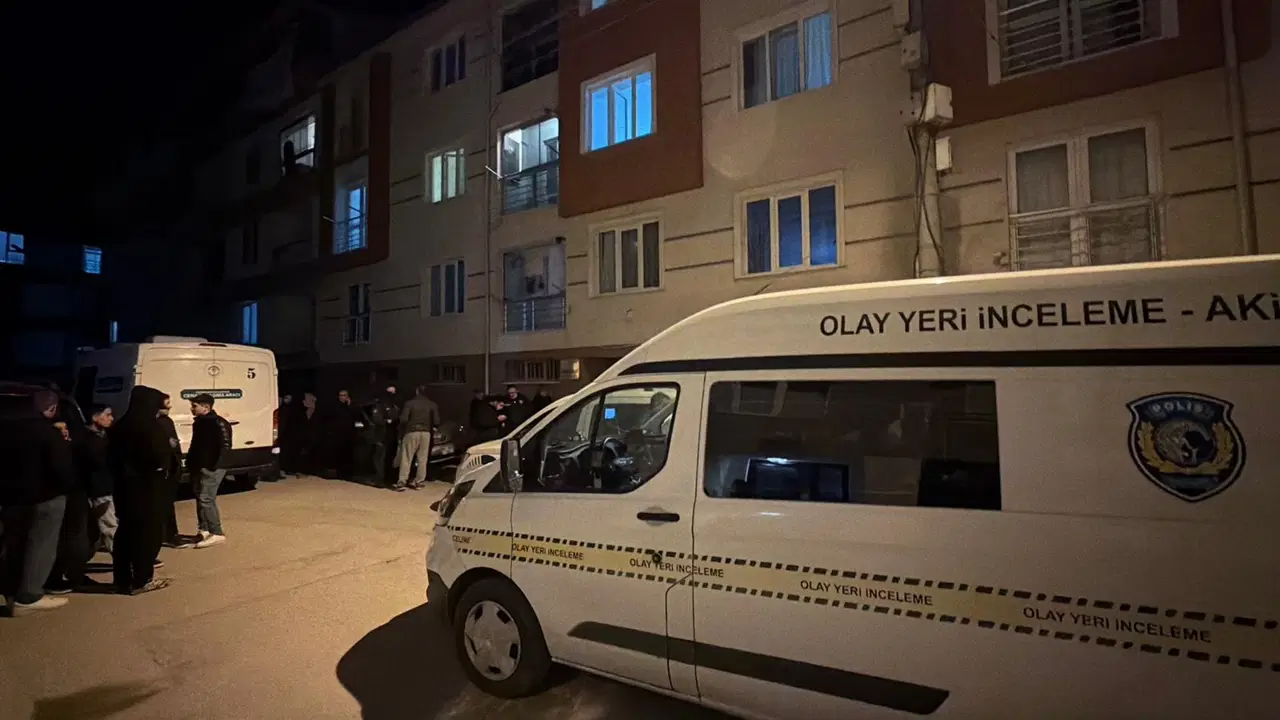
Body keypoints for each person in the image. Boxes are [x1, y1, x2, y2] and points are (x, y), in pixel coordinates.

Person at [0, 391, 75, 614]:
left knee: (13, 547)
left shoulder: (6, 430)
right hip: (45, 497)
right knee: (41, 546)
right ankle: (29, 595)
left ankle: (11, 592)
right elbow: (62, 469)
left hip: (11, 497)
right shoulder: (47, 433)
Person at [108, 386, 173, 595]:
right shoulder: (151, 428)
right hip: (148, 489)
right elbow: (159, 457)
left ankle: (122, 579)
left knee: (125, 533)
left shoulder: (120, 427)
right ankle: (142, 578)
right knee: (147, 534)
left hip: (123, 488)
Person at [186, 394, 229, 549]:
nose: (192, 409)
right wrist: (191, 462)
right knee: (200, 497)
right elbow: (196, 445)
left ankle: (216, 532)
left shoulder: (218, 423)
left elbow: (225, 446)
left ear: (206, 407)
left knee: (206, 499)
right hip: (198, 466)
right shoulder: (199, 423)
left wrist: (214, 466)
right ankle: (204, 529)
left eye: (194, 406)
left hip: (212, 467)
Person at [81, 405, 117, 557]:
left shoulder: (106, 436)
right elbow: (96, 462)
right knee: (109, 525)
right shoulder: (86, 439)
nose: (111, 418)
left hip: (108, 486)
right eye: (107, 415)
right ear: (95, 417)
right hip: (98, 489)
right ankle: (123, 560)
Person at [157, 400, 189, 548]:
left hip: (171, 469)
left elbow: (175, 445)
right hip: (158, 471)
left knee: (168, 504)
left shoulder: (166, 421)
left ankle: (170, 534)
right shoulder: (149, 423)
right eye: (166, 403)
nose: (169, 406)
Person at [396, 386, 440, 491]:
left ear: (416, 392)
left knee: (407, 457)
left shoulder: (409, 403)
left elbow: (404, 419)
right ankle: (419, 481)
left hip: (411, 431)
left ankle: (402, 481)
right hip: (426, 433)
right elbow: (437, 421)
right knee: (422, 459)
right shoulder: (432, 404)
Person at [369, 386, 400, 487]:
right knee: (383, 458)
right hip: (386, 436)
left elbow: (377, 419)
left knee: (381, 459)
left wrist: (387, 421)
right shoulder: (393, 407)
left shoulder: (384, 406)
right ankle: (385, 480)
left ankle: (381, 480)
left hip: (384, 437)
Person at [329, 390, 360, 480]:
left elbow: (357, 417)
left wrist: (350, 405)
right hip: (338, 435)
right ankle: (340, 474)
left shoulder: (352, 407)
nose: (342, 397)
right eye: (340, 395)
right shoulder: (335, 407)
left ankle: (348, 474)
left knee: (349, 454)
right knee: (339, 454)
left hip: (349, 435)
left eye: (344, 395)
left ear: (347, 397)